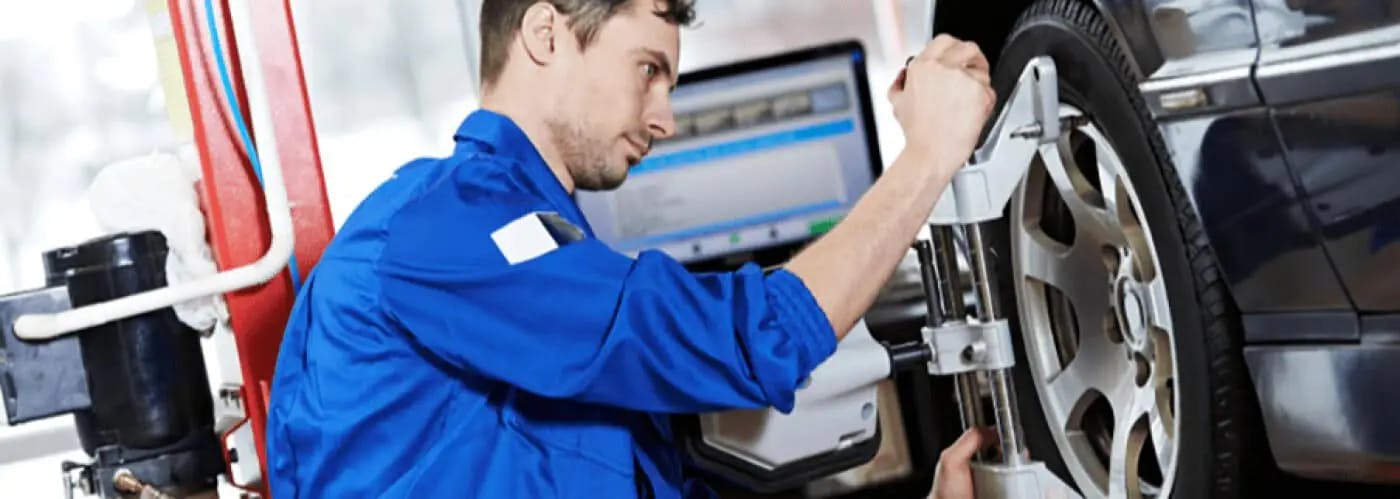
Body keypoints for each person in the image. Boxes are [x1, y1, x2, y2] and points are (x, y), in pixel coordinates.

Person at [264, 0, 996, 497]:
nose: (665, 118)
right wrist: (926, 157)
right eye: (648, 70)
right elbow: (747, 342)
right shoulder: (442, 229)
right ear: (546, 34)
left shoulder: (547, 249)